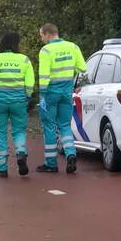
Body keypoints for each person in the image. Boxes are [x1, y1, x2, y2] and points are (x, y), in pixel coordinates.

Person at [0, 31, 35, 178]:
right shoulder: (24, 60)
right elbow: (30, 83)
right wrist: (27, 95)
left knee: (0, 133)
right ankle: (20, 153)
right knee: (19, 131)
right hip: (18, 101)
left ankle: (1, 168)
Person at [37, 23, 86, 174]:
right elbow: (83, 68)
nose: (41, 38)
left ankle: (51, 164)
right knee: (65, 125)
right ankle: (71, 154)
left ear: (47, 34)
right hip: (66, 91)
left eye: (41, 35)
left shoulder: (46, 50)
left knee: (49, 126)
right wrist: (77, 84)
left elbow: (44, 75)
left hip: (51, 92)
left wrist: (42, 94)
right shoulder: (73, 47)